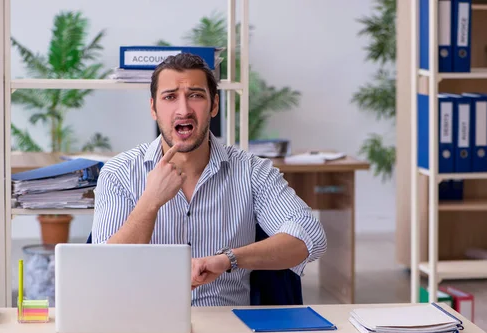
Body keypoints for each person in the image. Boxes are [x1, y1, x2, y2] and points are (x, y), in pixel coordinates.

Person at [92, 52, 327, 307]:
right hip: (145, 324)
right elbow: (103, 269)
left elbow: (310, 236)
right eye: (170, 97)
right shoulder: (119, 172)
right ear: (153, 108)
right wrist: (150, 202)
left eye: (195, 95)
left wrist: (229, 259)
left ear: (214, 105)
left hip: (228, 326)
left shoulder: (251, 171)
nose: (183, 110)